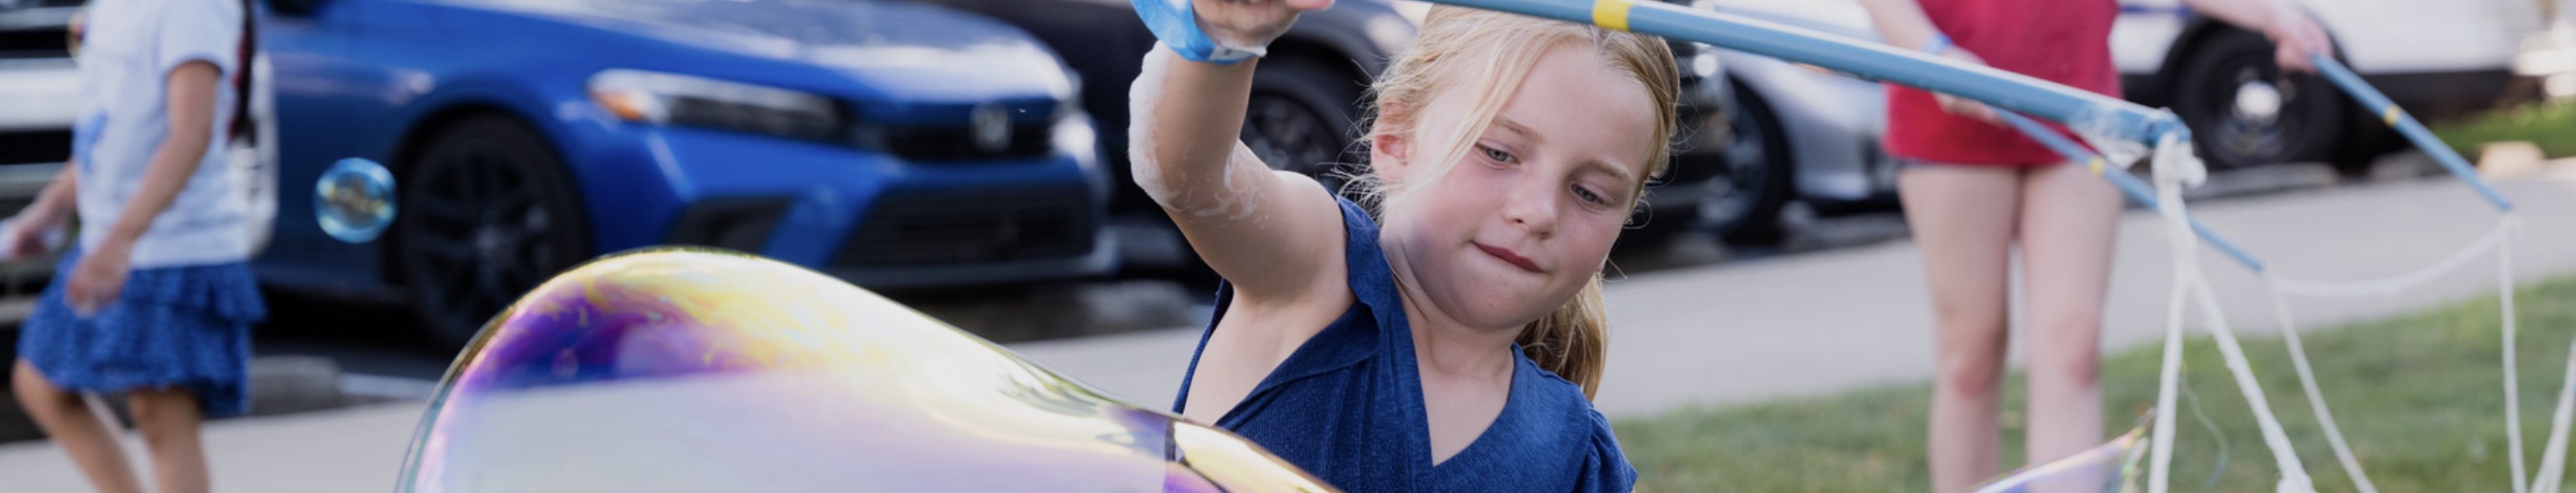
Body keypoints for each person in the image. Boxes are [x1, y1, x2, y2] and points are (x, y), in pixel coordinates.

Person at [1129, 0, 1678, 490]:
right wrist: (1222, 33)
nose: (1537, 213)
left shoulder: (1578, 455)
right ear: (1395, 141)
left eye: (1589, 192)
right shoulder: (1318, 273)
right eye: (1497, 153)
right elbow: (1191, 174)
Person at [1851, 0, 2327, 490]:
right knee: (1969, 358)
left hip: (2079, 110)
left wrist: (2273, 14)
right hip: (1948, 106)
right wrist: (1933, 52)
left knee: (2072, 349)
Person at [9, 0, 268, 492]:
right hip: (109, 239)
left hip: (175, 246)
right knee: (39, 380)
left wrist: (119, 243)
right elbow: (109, 122)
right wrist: (54, 205)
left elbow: (191, 132)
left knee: (161, 419)